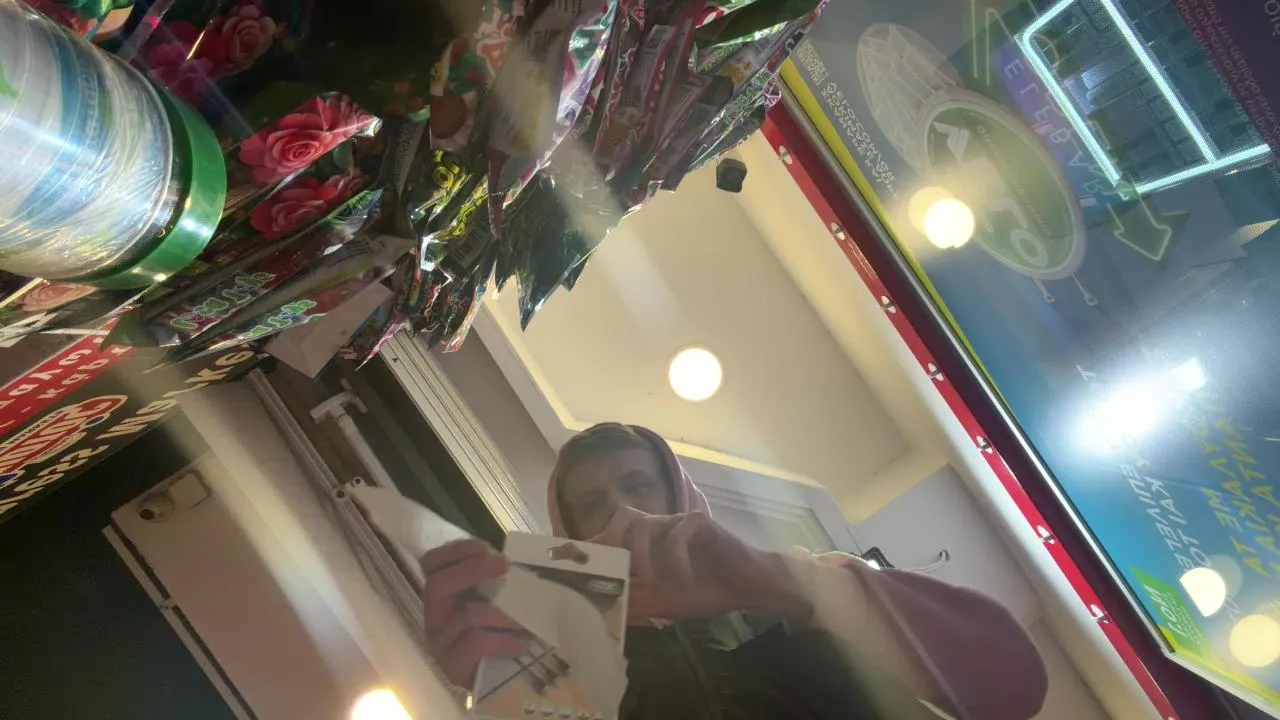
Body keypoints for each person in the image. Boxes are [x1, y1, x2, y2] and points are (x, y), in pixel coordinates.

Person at [420, 423, 1049, 719]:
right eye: (592, 504)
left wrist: (774, 581)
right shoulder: (559, 659)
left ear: (681, 495)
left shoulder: (811, 585)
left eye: (638, 486)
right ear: (569, 535)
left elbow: (1014, 684)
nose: (624, 512)